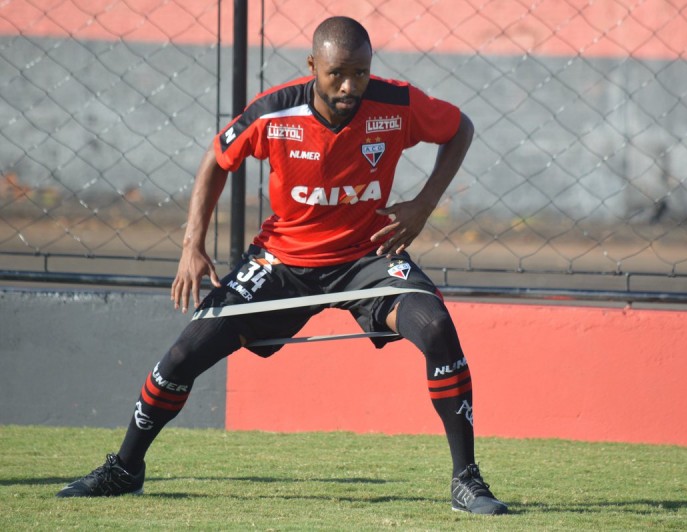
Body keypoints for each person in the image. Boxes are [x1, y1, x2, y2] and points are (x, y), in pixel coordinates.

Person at [56, 16, 508, 515]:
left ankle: (466, 480)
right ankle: (126, 469)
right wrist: (192, 243)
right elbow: (216, 160)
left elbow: (459, 127)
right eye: (337, 73)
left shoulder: (395, 103)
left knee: (437, 326)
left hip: (366, 258)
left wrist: (423, 204)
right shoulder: (274, 111)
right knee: (184, 355)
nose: (349, 86)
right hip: (281, 262)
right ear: (312, 65)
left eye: (360, 73)